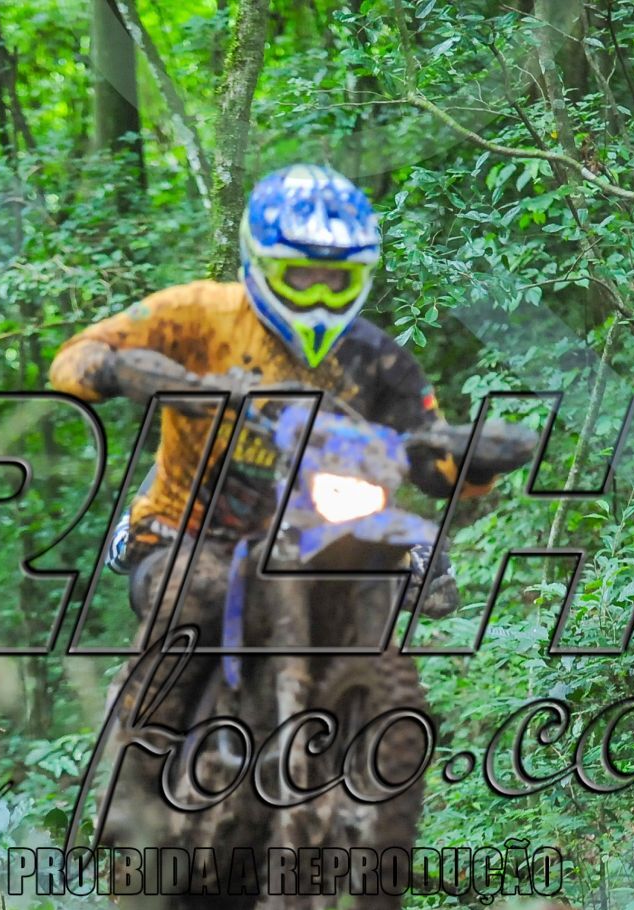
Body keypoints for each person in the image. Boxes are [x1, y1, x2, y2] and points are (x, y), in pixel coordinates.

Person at [48, 163, 523, 724]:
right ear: (261, 265)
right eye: (301, 277)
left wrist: (474, 460)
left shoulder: (379, 359)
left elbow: (432, 463)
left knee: (421, 575)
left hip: (322, 520)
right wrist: (116, 370)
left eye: (335, 280)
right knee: (192, 591)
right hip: (193, 525)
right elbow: (72, 359)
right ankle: (145, 737)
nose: (318, 296)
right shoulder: (197, 314)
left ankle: (375, 735)